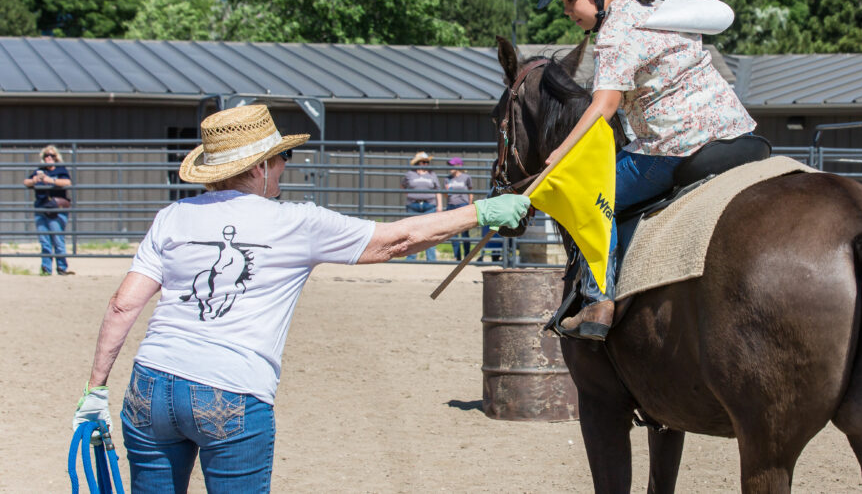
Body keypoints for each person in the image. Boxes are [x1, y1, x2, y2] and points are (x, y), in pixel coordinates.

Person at [70, 105, 530, 493]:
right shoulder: (295, 222)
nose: (285, 165)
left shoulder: (171, 216)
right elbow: (396, 240)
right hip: (231, 386)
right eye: (281, 156)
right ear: (257, 167)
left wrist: (95, 389)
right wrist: (481, 211)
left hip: (150, 384)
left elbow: (122, 306)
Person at [536, 0, 757, 340]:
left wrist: (559, 155)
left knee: (589, 196)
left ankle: (598, 300)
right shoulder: (660, 16)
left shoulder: (615, 34)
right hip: (738, 134)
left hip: (673, 148)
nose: (566, 11)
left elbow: (604, 106)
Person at [22, 144, 73, 276]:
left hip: (56, 209)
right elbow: (26, 182)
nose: (49, 158)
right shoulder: (39, 170)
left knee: (57, 238)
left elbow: (67, 182)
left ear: (56, 157)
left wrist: (49, 180)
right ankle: (46, 268)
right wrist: (34, 180)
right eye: (46, 155)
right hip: (41, 207)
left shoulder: (60, 170)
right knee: (44, 240)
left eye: (52, 155)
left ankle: (62, 267)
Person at [401, 151, 443, 261]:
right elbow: (403, 186)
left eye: (426, 162)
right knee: (411, 232)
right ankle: (411, 257)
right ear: (418, 163)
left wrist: (440, 206)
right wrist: (411, 195)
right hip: (413, 204)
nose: (425, 164)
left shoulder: (432, 174)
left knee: (430, 232)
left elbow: (438, 190)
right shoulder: (410, 174)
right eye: (423, 162)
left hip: (429, 204)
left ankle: (431, 258)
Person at [444, 157, 474, 261]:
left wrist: (470, 205)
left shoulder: (466, 177)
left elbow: (470, 191)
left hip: (463, 205)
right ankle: (457, 256)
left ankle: (467, 255)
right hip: (451, 205)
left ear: (459, 166)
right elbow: (447, 196)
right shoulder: (447, 179)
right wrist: (446, 191)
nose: (451, 168)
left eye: (453, 165)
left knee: (464, 232)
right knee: (453, 233)